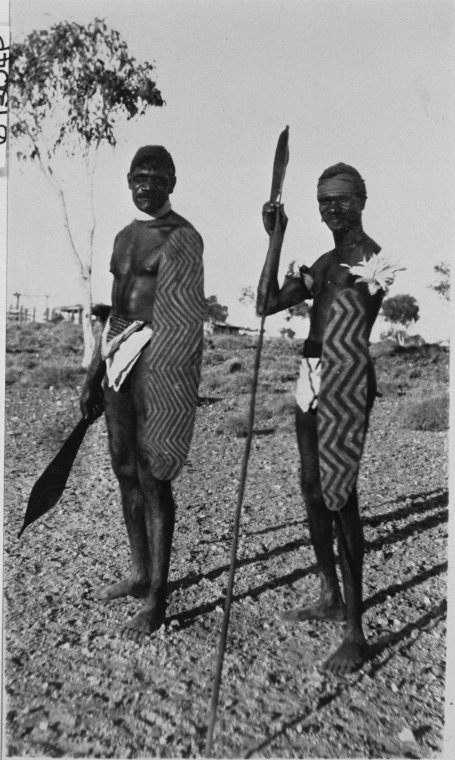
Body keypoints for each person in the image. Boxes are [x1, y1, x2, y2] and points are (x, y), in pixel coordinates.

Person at [257, 163, 398, 675]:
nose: (332, 210)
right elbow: (266, 304)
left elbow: (351, 323)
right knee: (312, 487)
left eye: (340, 200)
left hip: (345, 377)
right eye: (323, 202)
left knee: (342, 494)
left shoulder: (372, 261)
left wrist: (315, 283)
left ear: (362, 199)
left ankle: (355, 632)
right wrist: (277, 238)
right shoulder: (322, 260)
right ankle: (329, 594)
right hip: (310, 376)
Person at [80, 146, 205, 638]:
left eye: (157, 176)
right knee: (124, 469)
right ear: (128, 179)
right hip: (117, 355)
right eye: (140, 175)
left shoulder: (184, 237)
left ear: (173, 181)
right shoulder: (123, 237)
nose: (147, 183)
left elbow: (185, 320)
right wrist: (94, 371)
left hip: (158, 359)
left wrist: (174, 387)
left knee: (154, 474)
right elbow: (115, 310)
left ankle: (157, 596)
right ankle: (137, 573)